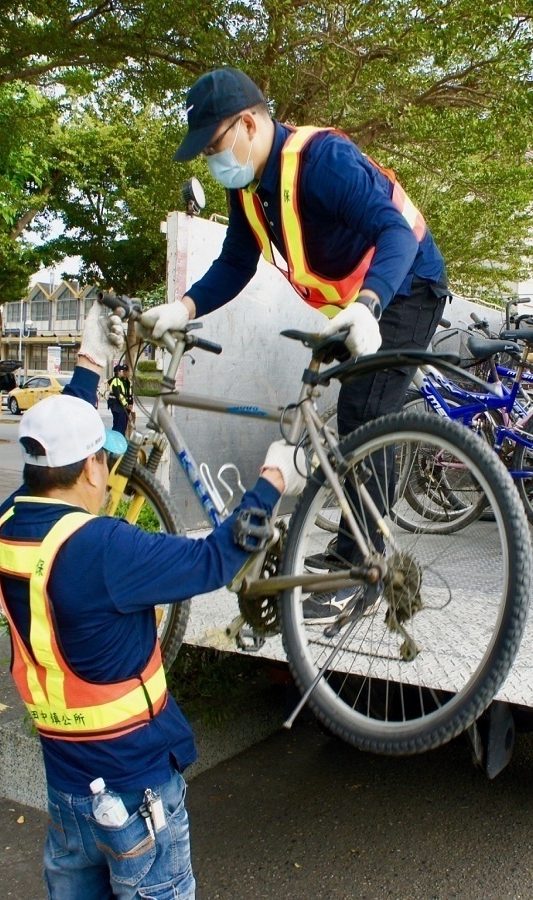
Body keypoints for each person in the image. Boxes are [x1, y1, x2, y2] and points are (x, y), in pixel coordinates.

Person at [0, 305, 304, 898]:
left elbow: (52, 453)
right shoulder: (103, 547)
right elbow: (215, 560)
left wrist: (89, 365)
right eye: (104, 460)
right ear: (90, 466)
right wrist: (273, 478)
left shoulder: (7, 523)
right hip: (136, 793)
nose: (108, 472)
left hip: (67, 789)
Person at [142, 67, 449, 620]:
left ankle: (362, 569)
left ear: (248, 123)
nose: (215, 163)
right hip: (353, 304)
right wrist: (183, 308)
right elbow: (236, 262)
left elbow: (396, 234)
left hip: (408, 286)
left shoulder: (322, 162)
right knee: (321, 411)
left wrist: (370, 304)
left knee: (364, 412)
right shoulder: (249, 191)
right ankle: (342, 535)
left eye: (216, 146)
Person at [108, 361, 134, 436]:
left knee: (121, 426)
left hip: (120, 406)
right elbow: (119, 395)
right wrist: (126, 404)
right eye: (122, 371)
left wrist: (130, 404)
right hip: (117, 406)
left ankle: (119, 440)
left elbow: (129, 394)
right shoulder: (116, 381)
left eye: (125, 371)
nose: (123, 373)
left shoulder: (125, 381)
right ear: (118, 372)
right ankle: (117, 440)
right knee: (119, 426)